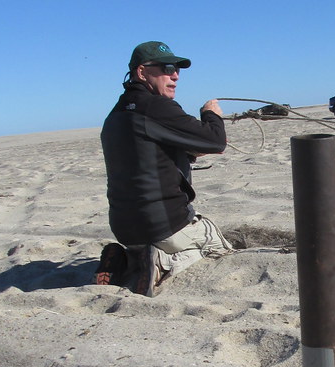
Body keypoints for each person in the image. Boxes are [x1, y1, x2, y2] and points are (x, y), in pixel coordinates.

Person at [97, 40, 233, 296]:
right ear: (141, 72)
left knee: (149, 242)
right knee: (218, 247)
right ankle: (162, 261)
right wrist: (211, 114)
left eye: (177, 69)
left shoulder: (114, 116)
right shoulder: (155, 106)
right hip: (165, 225)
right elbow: (215, 141)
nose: (175, 75)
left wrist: (188, 153)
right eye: (166, 68)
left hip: (124, 228)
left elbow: (146, 157)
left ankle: (129, 261)